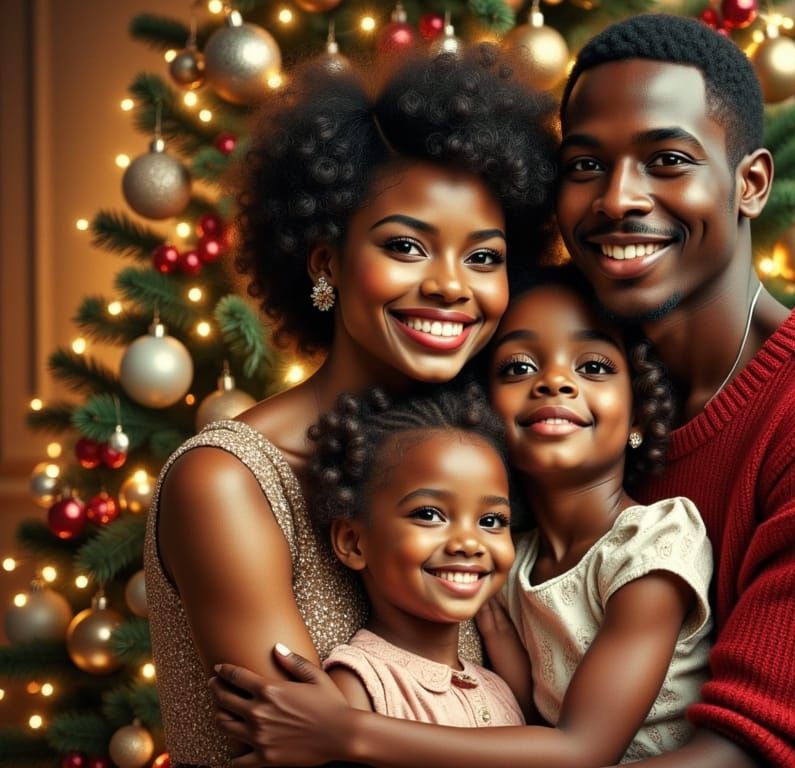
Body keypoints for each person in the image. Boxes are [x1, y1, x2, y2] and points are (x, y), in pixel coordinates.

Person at [144, 47, 557, 767]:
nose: (452, 287)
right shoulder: (228, 483)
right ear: (327, 264)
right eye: (406, 246)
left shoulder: (480, 459)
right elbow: (307, 751)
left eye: (483, 257)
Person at [554, 14, 795, 767]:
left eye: (666, 159)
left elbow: (746, 758)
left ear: (750, 184)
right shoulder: (575, 386)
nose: (617, 199)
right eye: (585, 166)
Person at [210, 270, 715, 766]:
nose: (556, 381)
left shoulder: (654, 541)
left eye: (595, 367)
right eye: (518, 367)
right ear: (485, 417)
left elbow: (582, 748)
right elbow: (516, 715)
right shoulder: (511, 560)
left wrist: (343, 731)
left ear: (640, 413)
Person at [307, 384, 523, 728]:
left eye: (491, 520)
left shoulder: (500, 689)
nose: (469, 542)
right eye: (428, 514)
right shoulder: (358, 689)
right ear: (353, 542)